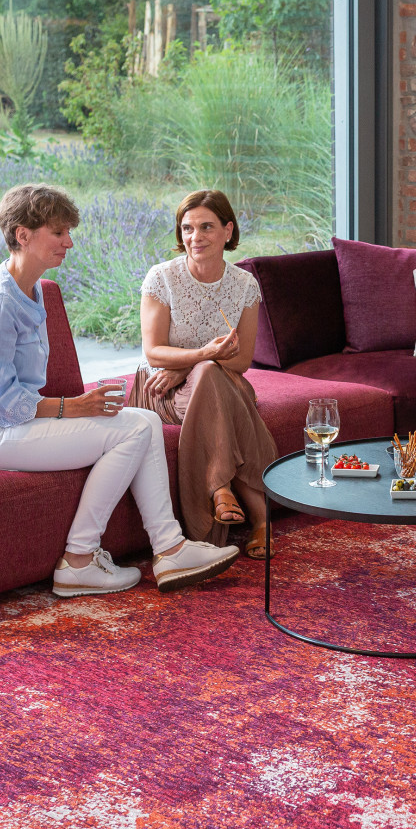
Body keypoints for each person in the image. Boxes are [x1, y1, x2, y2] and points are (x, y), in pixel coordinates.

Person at [0, 183, 239, 596]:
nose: (69, 242)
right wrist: (74, 407)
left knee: (145, 420)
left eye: (68, 231)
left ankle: (170, 549)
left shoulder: (31, 288)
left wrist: (74, 408)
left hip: (6, 425)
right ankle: (79, 559)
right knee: (134, 428)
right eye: (58, 232)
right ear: (23, 235)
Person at [134, 190, 278, 558]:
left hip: (218, 380)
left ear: (228, 231)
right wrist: (203, 356)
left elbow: (242, 361)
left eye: (206, 227)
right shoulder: (162, 278)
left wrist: (190, 366)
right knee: (215, 378)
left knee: (212, 376)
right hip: (161, 388)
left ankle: (221, 492)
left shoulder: (245, 285)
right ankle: (256, 517)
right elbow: (153, 351)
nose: (195, 237)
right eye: (187, 228)